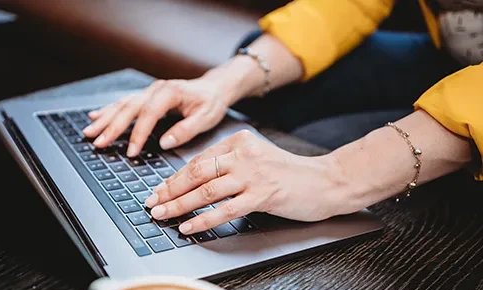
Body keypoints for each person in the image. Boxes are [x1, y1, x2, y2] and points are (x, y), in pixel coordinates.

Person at [83, 0, 482, 236]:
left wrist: (336, 175)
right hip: (447, 57)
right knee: (257, 67)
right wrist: (220, 84)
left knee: (319, 141)